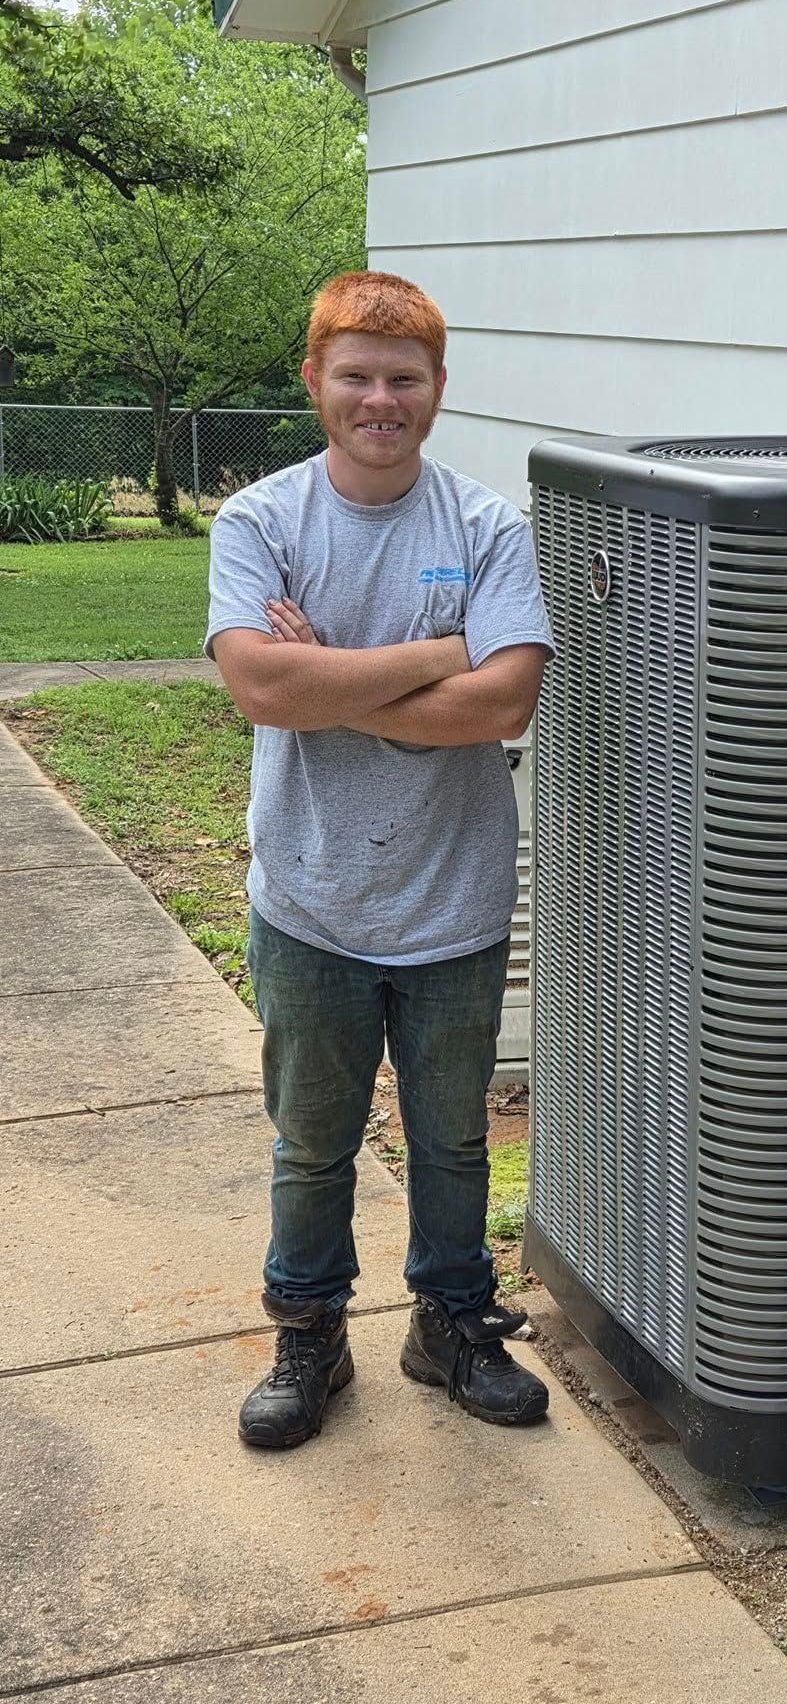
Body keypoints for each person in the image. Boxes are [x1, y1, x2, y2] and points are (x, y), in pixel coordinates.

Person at [207, 270, 554, 1450]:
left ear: (437, 389)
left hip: (454, 899)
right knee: (313, 1141)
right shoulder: (261, 522)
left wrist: (333, 684)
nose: (379, 398)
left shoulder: (487, 524)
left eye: (403, 378)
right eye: (355, 374)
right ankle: (310, 1332)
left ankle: (452, 1322)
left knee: (455, 1137)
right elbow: (259, 682)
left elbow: (502, 701)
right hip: (308, 899)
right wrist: (434, 653)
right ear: (314, 380)